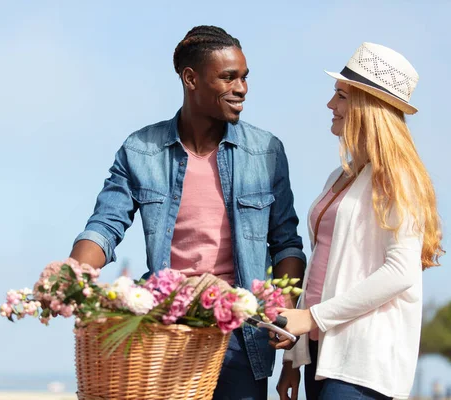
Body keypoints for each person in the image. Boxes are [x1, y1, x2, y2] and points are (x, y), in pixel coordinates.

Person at [70, 25, 306, 400]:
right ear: (191, 78)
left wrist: (285, 305)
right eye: (228, 78)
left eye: (244, 77)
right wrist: (73, 276)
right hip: (168, 327)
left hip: (243, 333)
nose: (242, 89)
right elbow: (105, 225)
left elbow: (287, 243)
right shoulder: (140, 150)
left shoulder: (267, 152)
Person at [272, 42, 444, 400]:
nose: (330, 105)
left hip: (363, 361)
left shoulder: (398, 178)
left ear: (368, 106)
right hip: (322, 354)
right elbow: (321, 264)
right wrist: (293, 355)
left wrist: (313, 319)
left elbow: (402, 272)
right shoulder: (341, 175)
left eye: (341, 96)